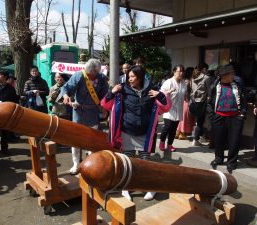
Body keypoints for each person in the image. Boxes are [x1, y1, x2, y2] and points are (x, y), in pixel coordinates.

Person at [101, 65, 168, 201]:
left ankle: (150, 188)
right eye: (128, 76)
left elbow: (166, 107)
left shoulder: (152, 89)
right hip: (127, 130)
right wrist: (112, 92)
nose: (129, 79)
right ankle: (126, 188)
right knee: (128, 162)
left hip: (146, 132)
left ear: (140, 77)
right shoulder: (122, 89)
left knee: (145, 163)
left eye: (133, 76)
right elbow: (105, 104)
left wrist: (159, 95)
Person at [58, 59, 109, 175]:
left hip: (92, 111)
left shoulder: (101, 78)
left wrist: (105, 109)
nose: (92, 76)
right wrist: (66, 96)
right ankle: (76, 163)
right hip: (78, 111)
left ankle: (90, 163)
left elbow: (105, 95)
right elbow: (66, 88)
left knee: (92, 137)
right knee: (75, 138)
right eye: (91, 74)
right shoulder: (79, 75)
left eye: (94, 74)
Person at [207, 64, 247, 173]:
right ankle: (219, 158)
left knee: (234, 141)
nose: (233, 75)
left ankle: (232, 162)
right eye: (231, 74)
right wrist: (212, 115)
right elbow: (209, 101)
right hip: (218, 117)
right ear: (224, 75)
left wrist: (242, 114)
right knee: (218, 140)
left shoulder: (238, 84)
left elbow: (244, 99)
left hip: (235, 117)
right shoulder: (215, 85)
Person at [0, 70, 19, 155]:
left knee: (5, 132)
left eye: (0, 75)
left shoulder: (10, 88)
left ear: (5, 77)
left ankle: (4, 149)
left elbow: (14, 100)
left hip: (6, 113)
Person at [159, 65, 186, 152]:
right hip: (169, 109)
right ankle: (162, 142)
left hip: (179, 109)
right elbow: (161, 94)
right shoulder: (169, 82)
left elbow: (184, 94)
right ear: (174, 72)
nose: (181, 73)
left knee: (174, 129)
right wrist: (168, 92)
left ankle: (170, 144)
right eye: (179, 71)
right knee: (167, 127)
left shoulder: (183, 83)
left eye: (182, 71)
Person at [190, 62, 213, 146]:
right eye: (206, 68)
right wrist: (209, 101)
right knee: (200, 121)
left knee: (197, 121)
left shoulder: (193, 77)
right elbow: (209, 92)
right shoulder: (207, 78)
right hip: (203, 102)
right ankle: (196, 139)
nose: (207, 70)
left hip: (194, 102)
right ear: (204, 69)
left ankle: (197, 138)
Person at [176, 67, 195, 140]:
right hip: (186, 101)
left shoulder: (183, 80)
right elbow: (187, 93)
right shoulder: (188, 81)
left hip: (181, 101)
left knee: (182, 117)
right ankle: (182, 133)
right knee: (185, 117)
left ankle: (178, 132)